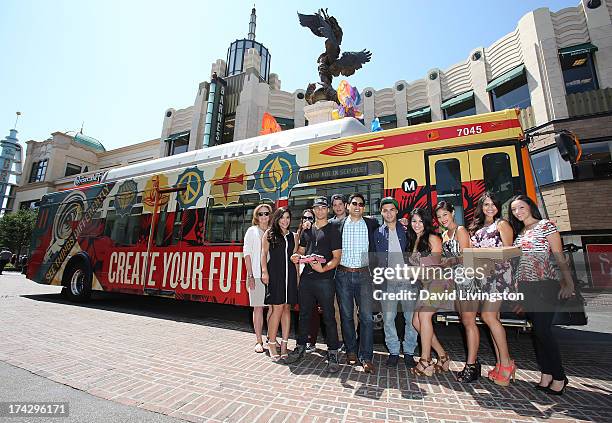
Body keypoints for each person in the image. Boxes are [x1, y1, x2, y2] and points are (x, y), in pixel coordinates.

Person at [509, 194, 574, 395]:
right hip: (527, 286)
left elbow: (558, 255)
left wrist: (568, 282)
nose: (518, 212)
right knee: (537, 331)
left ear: (530, 206)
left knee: (544, 330)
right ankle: (546, 374)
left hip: (546, 284)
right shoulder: (521, 232)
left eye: (521, 207)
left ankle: (560, 376)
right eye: (513, 210)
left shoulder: (546, 226)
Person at [285, 197, 342, 373]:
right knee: (303, 315)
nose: (319, 211)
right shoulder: (307, 230)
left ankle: (332, 352)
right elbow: (301, 251)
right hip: (307, 279)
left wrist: (323, 269)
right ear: (314, 210)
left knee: (329, 318)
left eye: (323, 208)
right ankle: (301, 347)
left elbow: (337, 258)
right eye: (316, 208)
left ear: (328, 210)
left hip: (325, 279)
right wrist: (296, 256)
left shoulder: (334, 230)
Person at [464, 192, 515, 385]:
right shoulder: (476, 227)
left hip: (499, 277)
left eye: (493, 204)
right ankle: (501, 364)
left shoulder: (501, 224)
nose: (490, 207)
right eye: (486, 204)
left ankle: (507, 363)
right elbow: (470, 254)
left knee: (487, 316)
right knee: (495, 320)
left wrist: (485, 257)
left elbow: (509, 251)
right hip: (482, 279)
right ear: (481, 207)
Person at [334, 193, 380, 373]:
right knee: (346, 317)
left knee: (367, 318)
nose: (358, 206)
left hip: (364, 276)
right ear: (347, 206)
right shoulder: (336, 225)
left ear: (364, 207)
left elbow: (389, 228)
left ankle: (366, 357)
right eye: (354, 203)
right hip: (343, 275)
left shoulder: (371, 224)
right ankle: (351, 351)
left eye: (361, 204)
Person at [375, 197, 418, 368]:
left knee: (411, 319)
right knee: (388, 319)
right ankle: (393, 351)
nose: (388, 213)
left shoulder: (407, 230)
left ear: (397, 211)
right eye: (385, 210)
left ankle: (408, 352)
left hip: (408, 281)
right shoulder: (377, 233)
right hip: (388, 283)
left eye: (391, 209)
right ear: (381, 213)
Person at [408, 208, 451, 376]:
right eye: (413, 221)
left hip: (438, 283)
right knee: (416, 322)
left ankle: (425, 361)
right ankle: (443, 356)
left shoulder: (433, 238)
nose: (417, 224)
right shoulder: (414, 239)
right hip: (426, 286)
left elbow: (437, 266)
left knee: (424, 317)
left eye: (420, 221)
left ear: (426, 222)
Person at [261, 207, 299, 362]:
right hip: (275, 275)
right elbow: (263, 254)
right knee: (276, 309)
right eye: (282, 217)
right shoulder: (269, 234)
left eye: (288, 217)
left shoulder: (294, 236)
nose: (285, 221)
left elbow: (294, 258)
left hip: (289, 275)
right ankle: (271, 343)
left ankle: (284, 345)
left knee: (286, 309)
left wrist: (297, 277)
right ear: (277, 219)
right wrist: (264, 272)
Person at [243, 204, 273, 353]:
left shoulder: (273, 231)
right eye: (260, 214)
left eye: (266, 213)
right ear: (256, 216)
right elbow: (247, 254)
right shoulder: (251, 231)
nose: (263, 216)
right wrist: (250, 275)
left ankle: (271, 338)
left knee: (273, 308)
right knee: (258, 308)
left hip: (272, 275)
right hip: (256, 274)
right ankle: (259, 340)